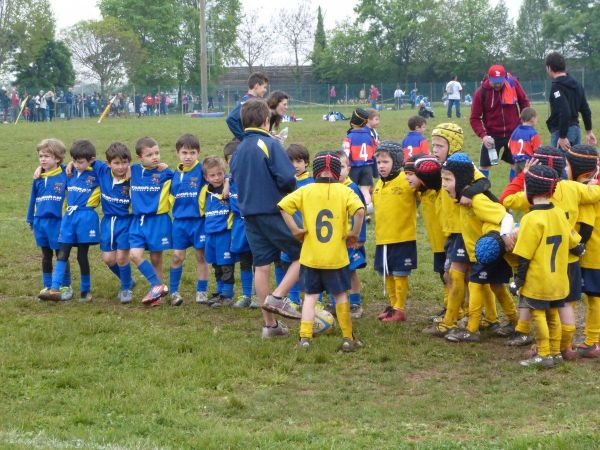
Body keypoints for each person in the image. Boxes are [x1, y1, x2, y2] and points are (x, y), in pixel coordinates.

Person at [229, 98, 302, 338]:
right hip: (272, 210)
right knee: (307, 252)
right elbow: (288, 178)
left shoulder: (238, 150)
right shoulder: (269, 143)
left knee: (261, 266)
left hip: (248, 215)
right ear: (266, 120)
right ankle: (279, 297)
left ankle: (269, 326)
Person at [278, 151, 365, 351]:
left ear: (315, 172)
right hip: (336, 257)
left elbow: (283, 207)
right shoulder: (345, 191)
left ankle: (305, 338)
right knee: (341, 295)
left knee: (310, 297)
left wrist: (296, 230)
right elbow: (360, 211)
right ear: (336, 173)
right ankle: (348, 338)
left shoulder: (305, 190)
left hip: (310, 257)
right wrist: (354, 233)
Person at [439, 153, 518, 343]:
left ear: (462, 180)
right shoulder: (462, 199)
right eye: (442, 179)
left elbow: (505, 216)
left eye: (448, 179)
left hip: (490, 251)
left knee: (476, 284)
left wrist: (505, 237)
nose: (444, 184)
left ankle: (472, 328)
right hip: (484, 253)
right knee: (497, 286)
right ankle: (515, 321)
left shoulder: (478, 200)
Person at [513, 164, 583, 368]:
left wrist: (518, 280)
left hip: (538, 280)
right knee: (553, 314)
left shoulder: (531, 219)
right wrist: (580, 250)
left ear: (531, 190)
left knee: (539, 315)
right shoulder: (559, 213)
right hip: (559, 280)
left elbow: (524, 255)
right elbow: (573, 241)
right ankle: (555, 352)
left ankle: (543, 354)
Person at [38, 140, 101, 303]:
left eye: (80, 162)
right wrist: (41, 169)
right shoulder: (69, 173)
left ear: (91, 160)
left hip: (86, 219)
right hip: (68, 219)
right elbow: (55, 169)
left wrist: (92, 163)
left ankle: (85, 291)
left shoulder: (96, 175)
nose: (77, 165)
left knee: (81, 256)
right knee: (62, 252)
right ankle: (54, 288)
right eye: (74, 161)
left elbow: (108, 168)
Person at [372, 141, 417, 322]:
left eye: (385, 162)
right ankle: (392, 305)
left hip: (403, 238)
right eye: (379, 162)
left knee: (399, 273)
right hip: (383, 239)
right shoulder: (378, 185)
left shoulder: (406, 181)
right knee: (387, 272)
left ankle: (400, 308)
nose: (381, 166)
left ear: (397, 162)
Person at [128, 137, 174, 305]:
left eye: (157, 153)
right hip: (137, 221)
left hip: (157, 221)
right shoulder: (132, 170)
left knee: (156, 259)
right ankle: (157, 285)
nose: (155, 157)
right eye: (149, 155)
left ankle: (157, 297)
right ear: (139, 157)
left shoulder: (166, 172)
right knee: (134, 255)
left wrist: (169, 169)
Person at [27, 139, 73, 301]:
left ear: (58, 158)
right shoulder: (38, 177)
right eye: (41, 156)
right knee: (45, 255)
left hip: (58, 223)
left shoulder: (65, 174)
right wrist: (30, 220)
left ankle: (65, 285)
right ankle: (47, 286)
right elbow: (33, 199)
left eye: (47, 156)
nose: (43, 159)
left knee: (61, 254)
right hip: (41, 223)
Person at [168, 134, 209, 307]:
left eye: (192, 152)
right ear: (177, 153)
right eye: (184, 152)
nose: (188, 156)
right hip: (179, 223)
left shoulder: (202, 171)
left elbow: (220, 176)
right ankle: (174, 292)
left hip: (199, 222)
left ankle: (201, 291)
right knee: (177, 256)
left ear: (198, 153)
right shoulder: (173, 174)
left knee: (201, 256)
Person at [91, 142, 135, 304]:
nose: (121, 167)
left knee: (122, 258)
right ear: (108, 163)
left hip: (126, 222)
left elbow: (153, 168)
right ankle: (128, 279)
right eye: (116, 163)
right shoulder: (102, 170)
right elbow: (82, 159)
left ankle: (125, 288)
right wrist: (66, 167)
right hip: (108, 222)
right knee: (109, 259)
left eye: (125, 162)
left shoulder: (133, 176)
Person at [470, 64, 530, 177]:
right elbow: (474, 118)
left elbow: (524, 102)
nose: (497, 84)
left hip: (514, 133)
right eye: (494, 81)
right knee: (484, 166)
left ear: (505, 78)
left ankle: (514, 193)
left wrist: (524, 123)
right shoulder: (481, 92)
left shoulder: (512, 84)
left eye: (500, 81)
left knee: (516, 165)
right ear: (488, 78)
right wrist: (483, 136)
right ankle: (482, 193)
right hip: (492, 136)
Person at [274, 144, 313, 310]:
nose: (295, 165)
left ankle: (313, 298)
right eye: (290, 162)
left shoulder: (312, 181)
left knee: (310, 265)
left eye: (299, 161)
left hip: (308, 230)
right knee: (288, 262)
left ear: (306, 162)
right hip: (289, 229)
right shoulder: (285, 182)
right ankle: (293, 299)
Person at [224, 141, 257, 309]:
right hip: (238, 224)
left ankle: (259, 295)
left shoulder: (252, 176)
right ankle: (246, 295)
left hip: (254, 223)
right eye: (230, 159)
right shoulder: (228, 179)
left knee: (258, 261)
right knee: (244, 260)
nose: (234, 162)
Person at [199, 156, 236, 308]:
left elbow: (233, 176)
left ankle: (227, 294)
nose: (216, 178)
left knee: (226, 264)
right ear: (206, 177)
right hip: (210, 233)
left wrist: (227, 180)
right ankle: (220, 291)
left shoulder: (229, 188)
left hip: (224, 232)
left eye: (220, 174)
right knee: (215, 264)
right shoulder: (205, 190)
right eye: (212, 175)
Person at [337, 150, 368, 318]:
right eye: (336, 167)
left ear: (348, 169)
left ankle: (355, 302)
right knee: (334, 270)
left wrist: (359, 237)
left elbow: (360, 213)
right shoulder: (330, 187)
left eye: (342, 166)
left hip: (351, 240)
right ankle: (336, 300)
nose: (339, 170)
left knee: (350, 271)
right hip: (335, 240)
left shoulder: (352, 188)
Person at [545, 51, 597, 151]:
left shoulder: (556, 87)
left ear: (549, 68)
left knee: (559, 165)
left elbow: (565, 111)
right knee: (574, 164)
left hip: (563, 132)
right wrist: (589, 131)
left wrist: (562, 137)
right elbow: (585, 109)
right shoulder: (577, 85)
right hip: (576, 131)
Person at [343, 108, 376, 211]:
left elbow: (345, 153)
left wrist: (345, 165)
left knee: (351, 189)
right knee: (365, 190)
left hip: (354, 168)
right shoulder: (370, 136)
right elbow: (375, 152)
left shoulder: (349, 137)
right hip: (367, 167)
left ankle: (353, 209)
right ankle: (368, 210)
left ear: (352, 122)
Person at [226, 72, 269, 141]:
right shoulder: (247, 101)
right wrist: (243, 137)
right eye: (264, 87)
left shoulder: (254, 101)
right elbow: (231, 119)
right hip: (249, 143)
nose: (265, 90)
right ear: (256, 86)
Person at [508, 107, 541, 178]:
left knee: (519, 181)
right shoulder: (533, 133)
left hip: (517, 161)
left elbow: (509, 145)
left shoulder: (515, 131)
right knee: (530, 181)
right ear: (532, 119)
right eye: (536, 118)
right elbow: (538, 150)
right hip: (528, 163)